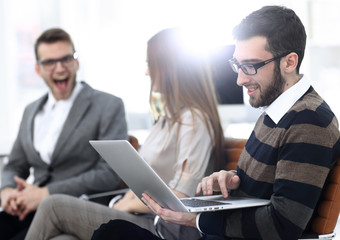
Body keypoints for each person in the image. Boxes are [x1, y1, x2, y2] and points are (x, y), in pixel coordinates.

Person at [96, 5, 340, 240]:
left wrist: (197, 219)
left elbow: (283, 224)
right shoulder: (276, 111)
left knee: (110, 233)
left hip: (214, 233)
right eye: (237, 65)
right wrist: (232, 179)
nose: (240, 79)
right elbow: (269, 186)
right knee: (112, 231)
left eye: (250, 66)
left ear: (289, 62)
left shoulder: (309, 121)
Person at [24, 27, 225, 240]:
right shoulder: (168, 119)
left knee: (53, 205)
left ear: (168, 68)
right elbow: (146, 181)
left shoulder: (194, 121)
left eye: (150, 65)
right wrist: (127, 201)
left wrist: (128, 204)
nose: (147, 72)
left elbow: (182, 196)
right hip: (143, 215)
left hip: (164, 225)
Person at [0, 28, 128, 240]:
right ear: (38, 69)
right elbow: (15, 165)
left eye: (66, 59)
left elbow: (110, 173)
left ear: (76, 62)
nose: (59, 68)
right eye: (49, 62)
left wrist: (46, 193)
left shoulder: (108, 105)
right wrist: (7, 191)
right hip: (28, 209)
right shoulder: (30, 111)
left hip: (76, 209)